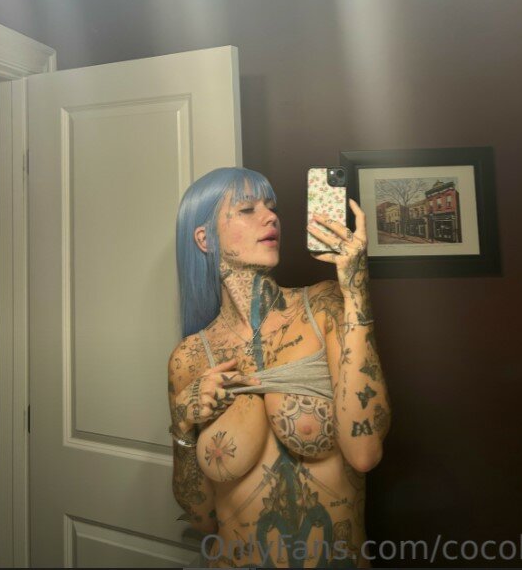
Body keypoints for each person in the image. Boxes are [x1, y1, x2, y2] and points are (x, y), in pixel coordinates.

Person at [167, 168, 390, 568]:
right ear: (204, 239)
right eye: (247, 209)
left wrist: (356, 290)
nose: (270, 217)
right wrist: (183, 426)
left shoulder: (323, 308)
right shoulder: (191, 357)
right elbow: (201, 518)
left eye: (272, 207)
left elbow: (364, 453)